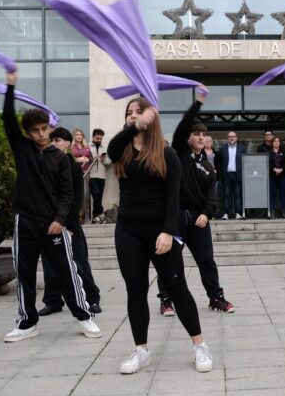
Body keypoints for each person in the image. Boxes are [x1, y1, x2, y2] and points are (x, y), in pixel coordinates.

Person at [107, 96, 212, 375]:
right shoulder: (123, 150)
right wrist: (134, 126)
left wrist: (168, 232)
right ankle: (141, 350)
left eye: (138, 112)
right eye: (129, 113)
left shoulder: (166, 154)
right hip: (128, 230)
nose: (132, 116)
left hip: (160, 231)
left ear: (151, 117)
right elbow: (112, 146)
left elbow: (173, 196)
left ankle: (199, 345)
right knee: (135, 289)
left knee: (178, 289)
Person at [1, 71, 101, 344]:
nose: (41, 134)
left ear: (50, 128)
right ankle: (27, 322)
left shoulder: (60, 158)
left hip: (53, 223)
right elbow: (7, 120)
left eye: (45, 129)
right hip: (26, 222)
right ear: (28, 133)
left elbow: (67, 193)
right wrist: (11, 87)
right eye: (35, 130)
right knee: (25, 273)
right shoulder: (22, 149)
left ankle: (83, 316)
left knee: (68, 271)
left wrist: (60, 220)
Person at [156, 89, 235, 316]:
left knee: (206, 261)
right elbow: (183, 127)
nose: (200, 137)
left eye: (203, 134)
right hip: (176, 217)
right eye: (196, 133)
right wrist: (197, 104)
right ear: (188, 138)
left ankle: (215, 298)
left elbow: (213, 196)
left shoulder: (209, 167)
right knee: (169, 261)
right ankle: (166, 300)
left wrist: (207, 214)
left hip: (199, 220)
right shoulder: (179, 152)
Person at [39, 127, 102, 316]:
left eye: (58, 140)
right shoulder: (44, 163)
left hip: (69, 223)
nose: (54, 143)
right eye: (52, 140)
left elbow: (74, 199)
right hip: (48, 223)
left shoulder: (72, 166)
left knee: (79, 262)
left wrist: (68, 224)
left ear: (67, 144)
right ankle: (53, 301)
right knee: (50, 264)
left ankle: (92, 299)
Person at [216, 131, 245, 220]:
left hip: (238, 174)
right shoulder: (222, 149)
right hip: (226, 175)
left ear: (236, 138)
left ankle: (237, 213)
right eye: (230, 136)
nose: (231, 138)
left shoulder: (242, 148)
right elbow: (218, 163)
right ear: (227, 138)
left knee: (237, 195)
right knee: (226, 195)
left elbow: (245, 162)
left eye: (233, 136)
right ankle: (225, 213)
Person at [89, 129, 112, 224]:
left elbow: (109, 163)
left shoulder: (104, 148)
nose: (99, 140)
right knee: (96, 194)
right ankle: (100, 213)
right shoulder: (88, 147)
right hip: (91, 175)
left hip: (102, 176)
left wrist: (103, 159)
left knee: (99, 196)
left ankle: (95, 217)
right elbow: (85, 160)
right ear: (93, 137)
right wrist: (92, 158)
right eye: (97, 138)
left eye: (100, 138)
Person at [269, 137, 285, 218]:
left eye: (278, 141)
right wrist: (274, 169)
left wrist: (281, 169)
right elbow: (267, 163)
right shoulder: (269, 152)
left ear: (280, 143)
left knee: (283, 194)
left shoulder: (284, 151)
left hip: (283, 176)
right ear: (272, 143)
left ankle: (284, 211)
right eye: (275, 141)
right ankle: (272, 211)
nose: (276, 142)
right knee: (272, 194)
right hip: (272, 176)